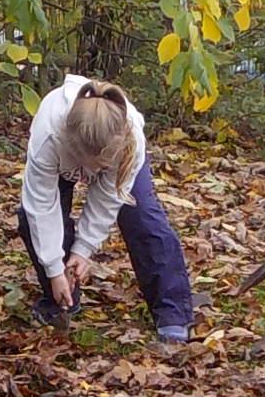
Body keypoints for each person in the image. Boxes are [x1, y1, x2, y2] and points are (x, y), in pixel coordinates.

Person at [18, 76, 195, 342]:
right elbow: (41, 207)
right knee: (29, 219)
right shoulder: (49, 135)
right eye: (94, 165)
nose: (96, 172)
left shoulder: (129, 139)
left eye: (102, 165)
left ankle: (173, 313)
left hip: (122, 156)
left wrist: (83, 249)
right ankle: (61, 297)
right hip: (59, 155)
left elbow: (107, 200)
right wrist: (54, 269)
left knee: (143, 217)